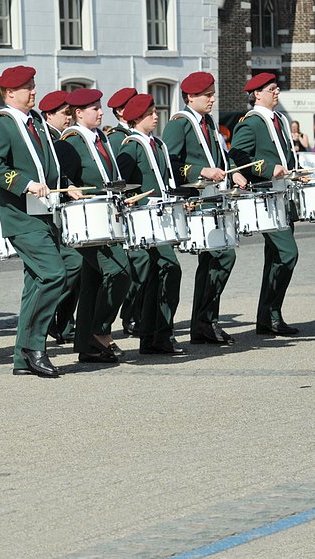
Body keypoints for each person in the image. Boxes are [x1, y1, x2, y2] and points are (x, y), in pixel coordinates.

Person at [0, 65, 67, 378]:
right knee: (55, 274)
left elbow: (47, 164)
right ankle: (34, 346)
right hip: (21, 215)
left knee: (36, 284)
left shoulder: (36, 122)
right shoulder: (1, 124)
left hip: (43, 211)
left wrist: (63, 185)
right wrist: (25, 183)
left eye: (34, 85)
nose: (33, 91)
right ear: (9, 93)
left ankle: (22, 357)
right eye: (27, 87)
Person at [162, 71, 236, 345]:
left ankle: (205, 322)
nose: (212, 99)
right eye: (207, 95)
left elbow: (219, 155)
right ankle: (200, 322)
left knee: (220, 258)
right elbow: (168, 165)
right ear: (190, 97)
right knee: (220, 256)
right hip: (194, 201)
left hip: (214, 198)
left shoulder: (209, 123)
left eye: (212, 93)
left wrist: (232, 172)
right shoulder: (179, 124)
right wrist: (200, 170)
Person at [54, 88, 127, 363]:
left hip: (108, 217)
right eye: (94, 108)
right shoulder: (70, 141)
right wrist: (69, 187)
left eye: (99, 107)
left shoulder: (101, 138)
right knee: (120, 271)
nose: (100, 111)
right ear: (78, 113)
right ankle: (100, 330)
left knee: (92, 282)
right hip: (87, 220)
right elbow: (60, 178)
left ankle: (87, 345)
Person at [229, 72, 299, 336]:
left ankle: (269, 317)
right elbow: (236, 157)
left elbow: (284, 155)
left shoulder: (278, 119)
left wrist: (295, 169)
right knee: (287, 253)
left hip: (284, 194)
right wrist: (269, 168)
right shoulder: (252, 122)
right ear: (257, 94)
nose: (277, 92)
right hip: (267, 197)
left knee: (275, 257)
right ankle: (270, 314)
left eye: (277, 88)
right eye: (271, 89)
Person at [116, 94, 185, 355]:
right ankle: (159, 334)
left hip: (162, 217)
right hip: (145, 221)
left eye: (156, 112)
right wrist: (127, 198)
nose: (156, 116)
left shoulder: (157, 144)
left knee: (159, 277)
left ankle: (152, 337)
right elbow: (121, 183)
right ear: (137, 117)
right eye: (151, 113)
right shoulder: (130, 146)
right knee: (169, 268)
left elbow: (165, 179)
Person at [38, 89, 82, 345]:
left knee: (75, 267)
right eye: (64, 114)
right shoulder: (50, 140)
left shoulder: (60, 138)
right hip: (47, 211)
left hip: (63, 211)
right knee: (69, 266)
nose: (69, 118)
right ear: (49, 115)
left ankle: (64, 322)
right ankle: (55, 319)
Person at [105, 87, 144, 339]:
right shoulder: (119, 138)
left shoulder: (137, 134)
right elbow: (119, 178)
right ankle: (129, 316)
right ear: (121, 111)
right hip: (127, 210)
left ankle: (136, 314)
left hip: (143, 209)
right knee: (136, 263)